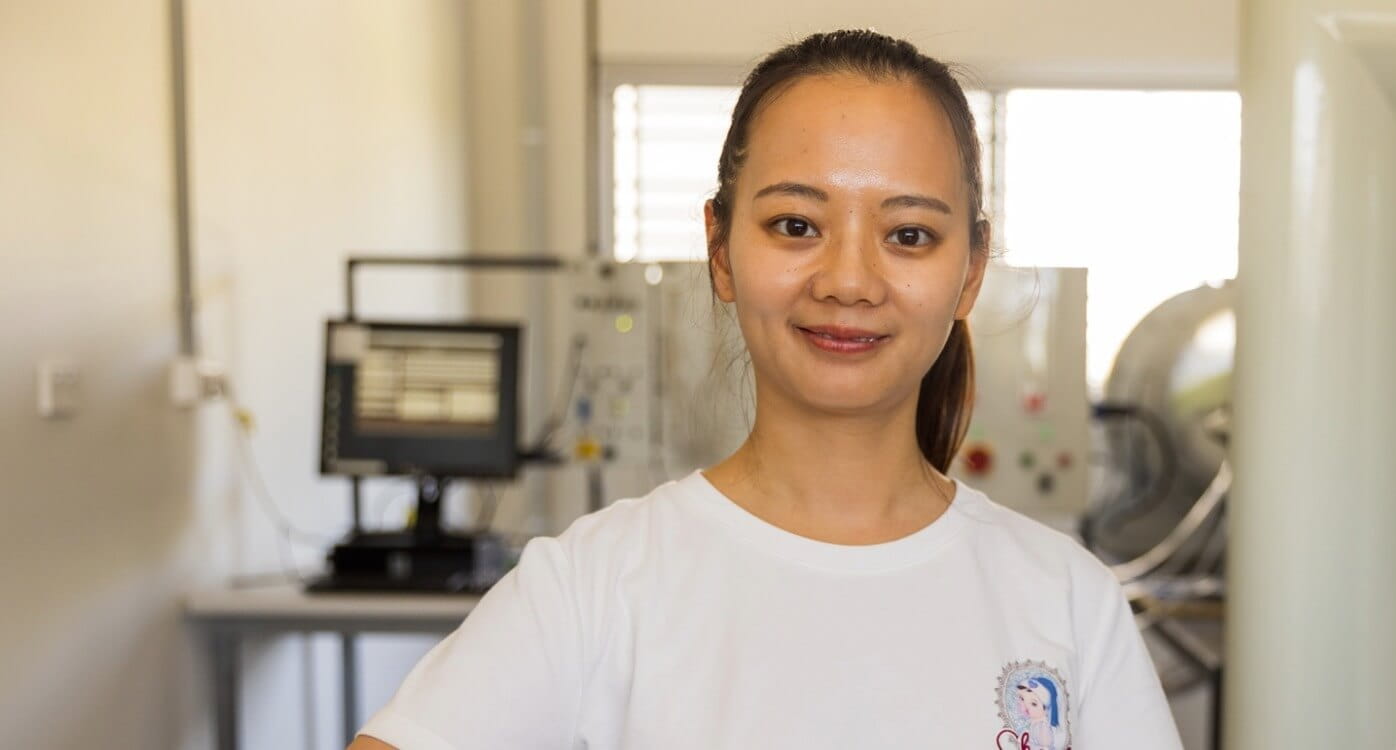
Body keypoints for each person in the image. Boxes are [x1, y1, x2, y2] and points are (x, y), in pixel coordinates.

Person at [348, 29, 1181, 750]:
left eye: (909, 235)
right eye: (795, 225)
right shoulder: (593, 588)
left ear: (969, 271)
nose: (848, 279)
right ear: (719, 249)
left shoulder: (1068, 603)